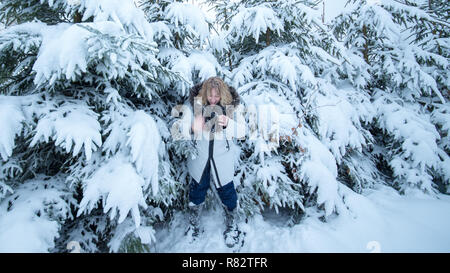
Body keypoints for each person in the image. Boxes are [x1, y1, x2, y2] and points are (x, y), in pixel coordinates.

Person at [180, 76, 246, 247]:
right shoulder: (195, 105)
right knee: (197, 190)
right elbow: (182, 128)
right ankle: (194, 225)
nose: (213, 99)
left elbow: (242, 132)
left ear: (222, 94)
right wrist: (193, 127)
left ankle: (232, 226)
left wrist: (228, 123)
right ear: (204, 94)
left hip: (222, 159)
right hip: (200, 158)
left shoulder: (231, 108)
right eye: (210, 96)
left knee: (227, 192)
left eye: (216, 97)